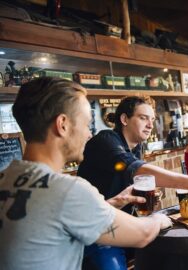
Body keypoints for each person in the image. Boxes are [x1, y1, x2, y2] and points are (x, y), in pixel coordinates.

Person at [0, 77, 172, 270]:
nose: (89, 134)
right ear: (62, 124)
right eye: (86, 124)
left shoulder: (7, 178)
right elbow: (143, 235)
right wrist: (160, 218)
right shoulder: (67, 190)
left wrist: (110, 204)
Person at [78, 95, 188, 269]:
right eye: (143, 118)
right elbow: (137, 170)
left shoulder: (137, 148)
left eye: (152, 119)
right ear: (124, 119)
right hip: (96, 232)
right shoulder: (106, 140)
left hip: (124, 225)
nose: (150, 125)